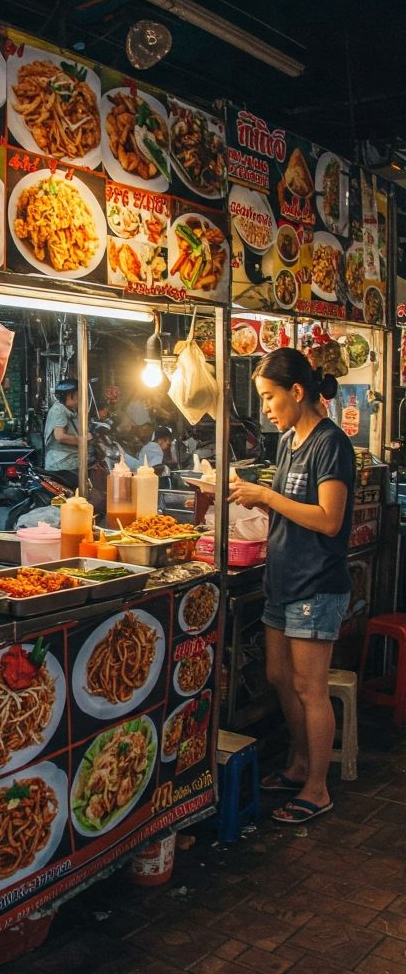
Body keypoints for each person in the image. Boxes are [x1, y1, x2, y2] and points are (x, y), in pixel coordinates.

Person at [228, 348, 353, 825]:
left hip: (316, 582)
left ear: (297, 392)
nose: (265, 408)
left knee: (309, 687)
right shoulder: (288, 442)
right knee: (279, 676)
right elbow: (290, 507)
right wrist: (253, 499)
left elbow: (328, 519)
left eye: (268, 397)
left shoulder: (330, 443)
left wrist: (266, 494)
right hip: (282, 578)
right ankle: (299, 764)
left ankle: (317, 789)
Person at [43, 379, 83, 490]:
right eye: (78, 394)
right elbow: (59, 436)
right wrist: (82, 440)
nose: (81, 397)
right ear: (69, 395)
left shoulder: (70, 410)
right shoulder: (59, 410)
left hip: (71, 462)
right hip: (61, 465)